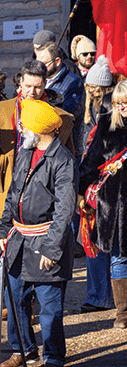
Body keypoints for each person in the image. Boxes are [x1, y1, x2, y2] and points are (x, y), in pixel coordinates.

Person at [0, 99, 76, 367]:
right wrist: (2, 230)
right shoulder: (25, 152)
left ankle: (53, 355)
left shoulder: (63, 160)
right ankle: (23, 351)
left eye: (23, 123)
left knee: (49, 307)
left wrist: (52, 249)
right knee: (14, 299)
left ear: (38, 128)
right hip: (18, 241)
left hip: (45, 243)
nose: (19, 127)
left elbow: (65, 209)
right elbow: (13, 195)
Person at [0, 60, 75, 251]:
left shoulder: (60, 118)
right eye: (28, 86)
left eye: (38, 87)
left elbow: (69, 154)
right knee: (2, 252)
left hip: (42, 199)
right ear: (20, 83)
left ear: (45, 85)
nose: (32, 91)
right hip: (6, 188)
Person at [79, 79, 127, 328]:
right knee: (120, 258)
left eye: (126, 103)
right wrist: (79, 191)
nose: (123, 108)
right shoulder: (107, 126)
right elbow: (91, 161)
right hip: (115, 204)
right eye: (119, 103)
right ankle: (123, 315)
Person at [78, 58, 116, 313]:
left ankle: (101, 296)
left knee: (100, 240)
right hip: (95, 180)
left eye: (95, 88)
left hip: (103, 182)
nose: (91, 91)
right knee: (96, 240)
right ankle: (101, 295)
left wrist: (82, 182)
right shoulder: (92, 107)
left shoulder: (109, 111)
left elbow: (96, 152)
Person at [36, 42, 84, 123]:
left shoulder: (74, 82)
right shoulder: (37, 78)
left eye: (44, 64)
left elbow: (68, 114)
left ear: (57, 61)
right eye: (37, 64)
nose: (39, 68)